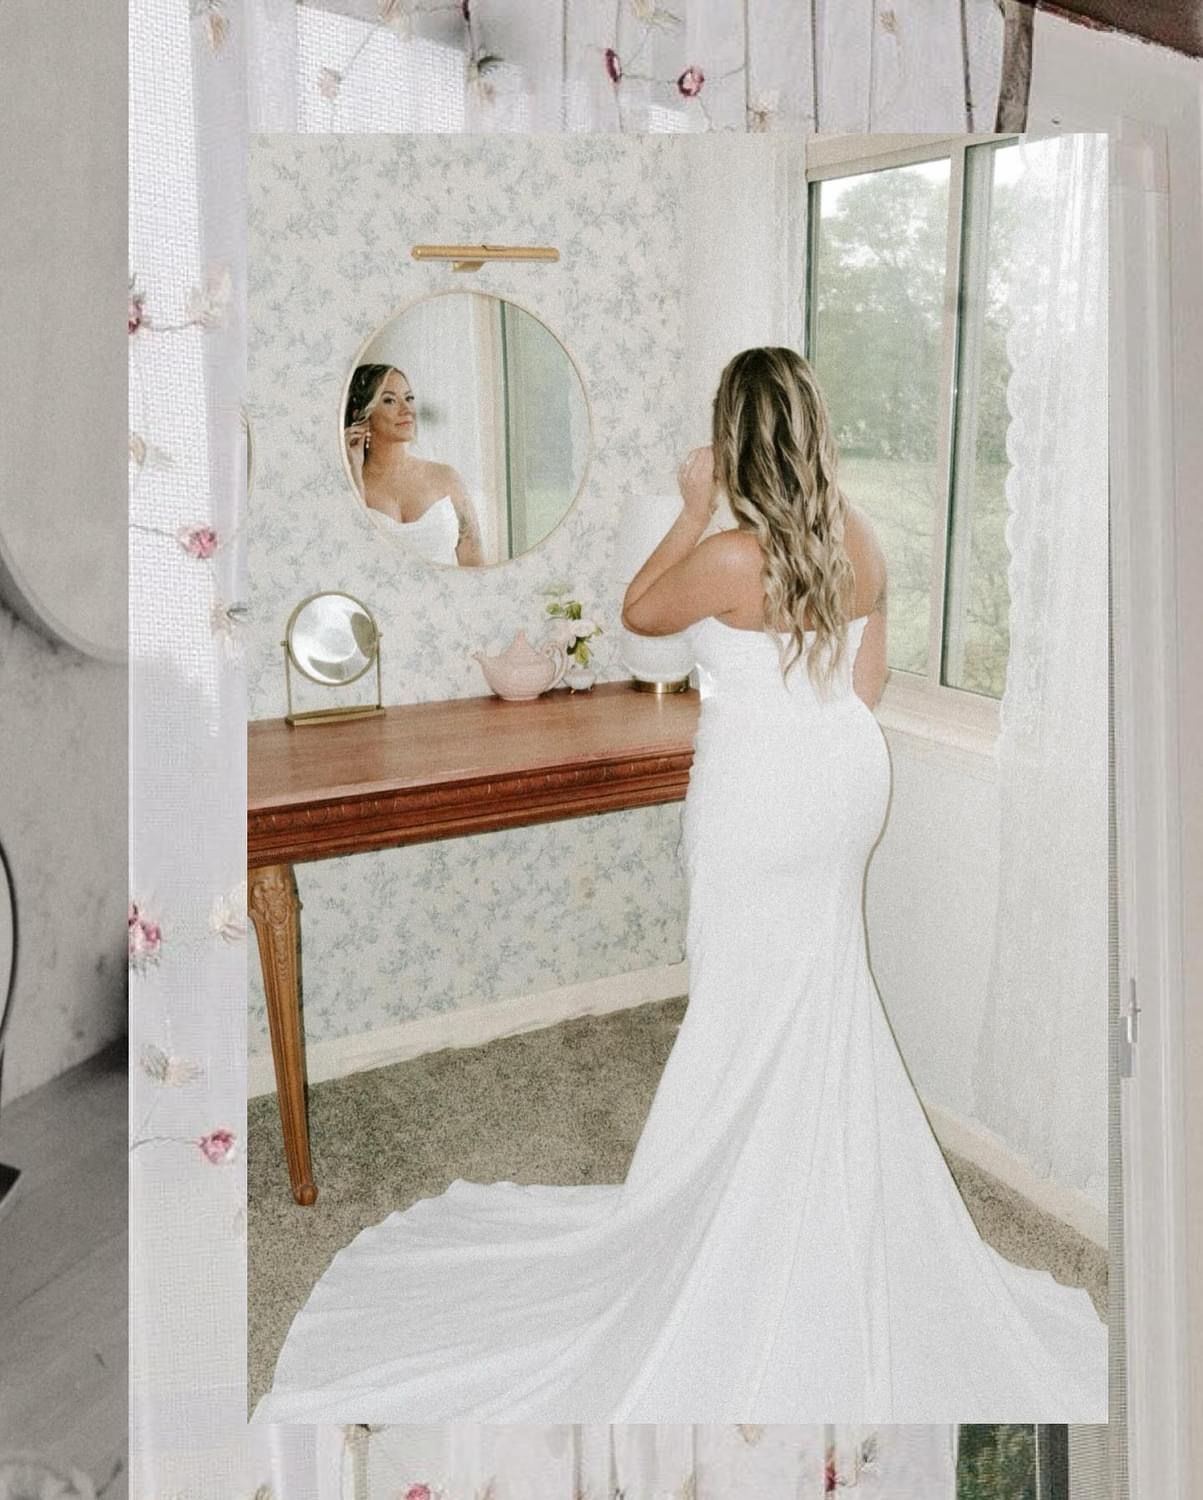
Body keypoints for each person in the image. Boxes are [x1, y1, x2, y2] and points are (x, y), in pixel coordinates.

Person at [253, 347, 1106, 1424]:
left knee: (746, 996)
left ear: (736, 436)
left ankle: (734, 1215)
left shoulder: (730, 554)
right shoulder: (859, 538)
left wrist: (693, 507)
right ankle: (811, 1201)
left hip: (760, 796)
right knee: (816, 988)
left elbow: (637, 614)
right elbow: (868, 682)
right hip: (845, 780)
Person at [345, 363, 484, 567]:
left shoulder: (446, 478)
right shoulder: (350, 484)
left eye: (409, 398)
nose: (407, 409)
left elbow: (475, 564)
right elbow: (351, 558)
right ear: (360, 416)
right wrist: (354, 472)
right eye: (390, 400)